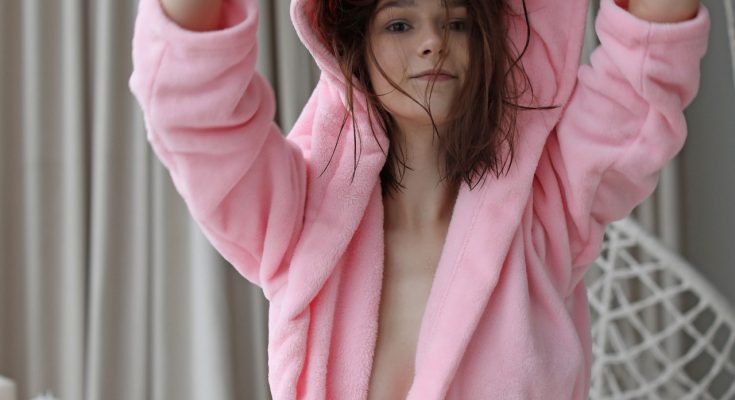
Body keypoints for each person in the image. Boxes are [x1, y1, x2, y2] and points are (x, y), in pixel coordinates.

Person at [128, 0, 709, 398]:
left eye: (456, 22)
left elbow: (642, 80)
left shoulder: (545, 211)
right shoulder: (300, 217)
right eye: (400, 24)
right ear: (352, 46)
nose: (433, 43)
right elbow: (196, 111)